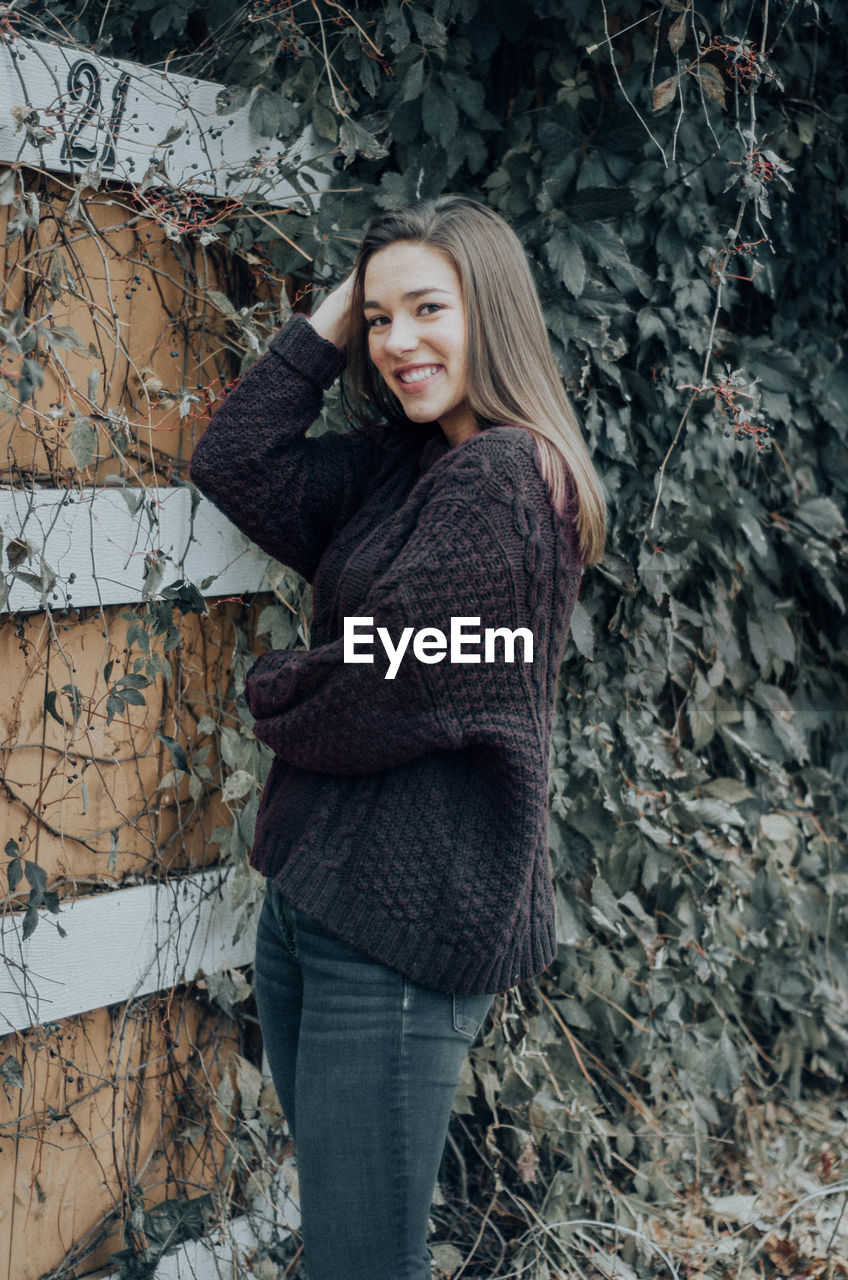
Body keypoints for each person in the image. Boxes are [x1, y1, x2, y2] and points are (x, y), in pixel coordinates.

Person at [189, 194, 606, 1280]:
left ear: (494, 314)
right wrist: (336, 307)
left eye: (428, 308)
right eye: (378, 319)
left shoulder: (508, 483)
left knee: (359, 1260)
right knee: (346, 1239)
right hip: (319, 901)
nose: (396, 343)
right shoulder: (403, 463)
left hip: (401, 938)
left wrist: (273, 683)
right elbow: (236, 462)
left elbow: (381, 685)